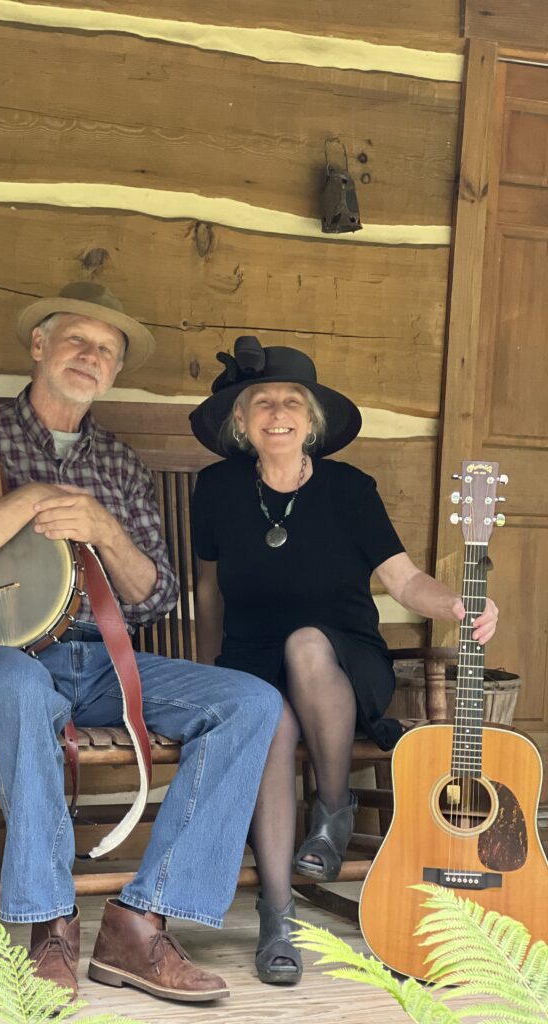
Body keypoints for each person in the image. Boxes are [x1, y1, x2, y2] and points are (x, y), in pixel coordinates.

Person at [0, 285, 282, 1003]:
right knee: (13, 687)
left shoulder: (118, 464)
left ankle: (139, 925)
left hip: (103, 660)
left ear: (115, 372)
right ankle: (47, 928)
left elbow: (157, 594)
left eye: (106, 350)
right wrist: (24, 503)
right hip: (1, 658)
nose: (91, 356)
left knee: (251, 702)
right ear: (38, 347)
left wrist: (106, 530)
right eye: (77, 339)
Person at [189, 336, 499, 986]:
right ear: (241, 421)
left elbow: (407, 581)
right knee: (264, 717)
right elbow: (209, 590)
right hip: (251, 661)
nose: (277, 411)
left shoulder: (350, 490)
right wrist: (206, 670)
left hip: (344, 660)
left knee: (306, 644)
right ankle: (278, 916)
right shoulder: (216, 490)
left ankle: (332, 808)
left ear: (312, 419)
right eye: (262, 401)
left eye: (291, 401)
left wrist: (460, 606)